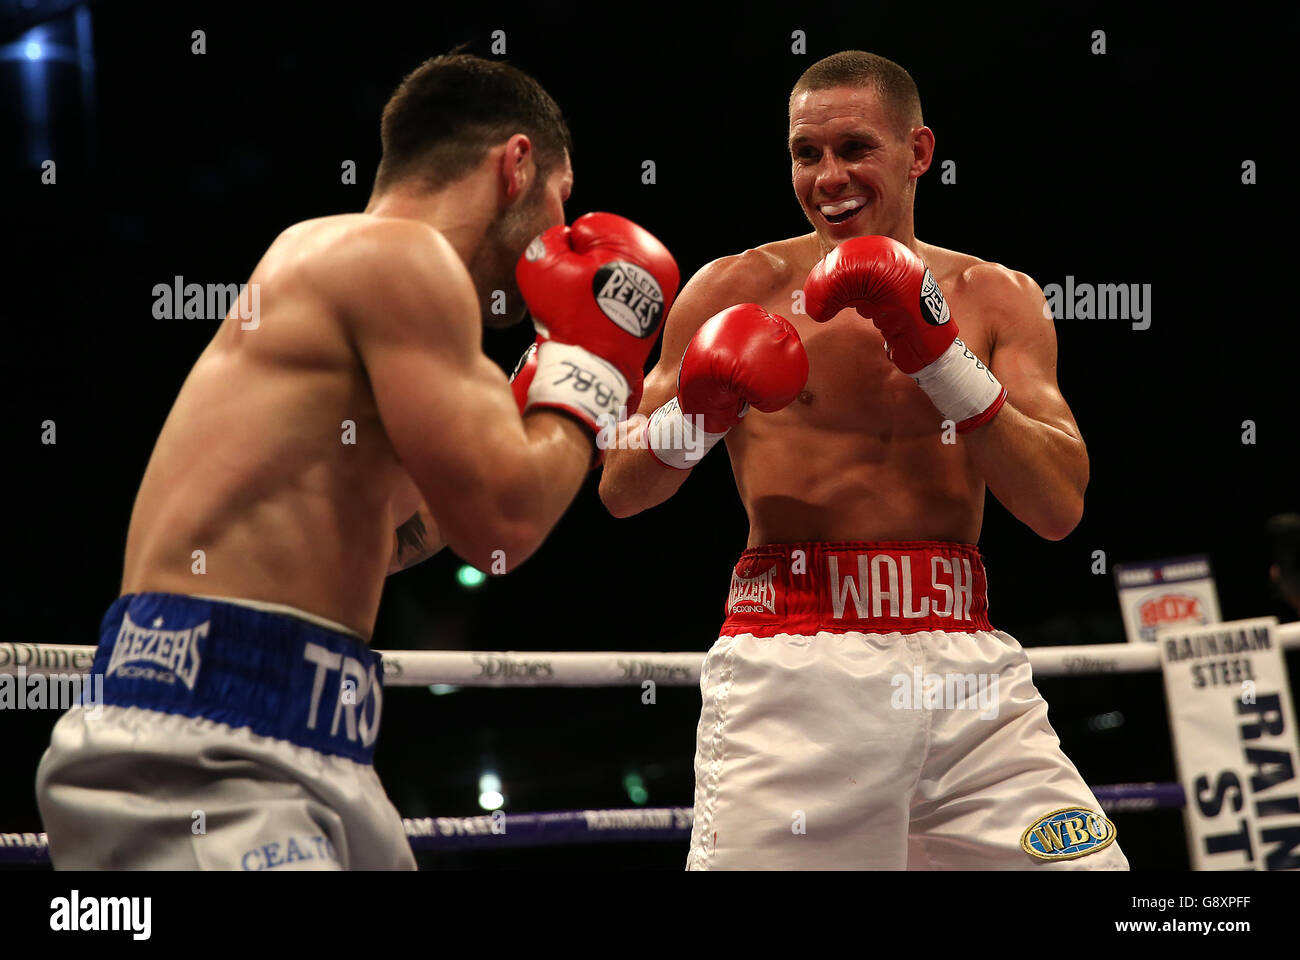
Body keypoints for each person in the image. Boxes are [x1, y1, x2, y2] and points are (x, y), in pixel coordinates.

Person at [35, 52, 678, 870]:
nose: (563, 230)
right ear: (516, 165)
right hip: (201, 737)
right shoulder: (395, 258)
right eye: (562, 196)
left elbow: (412, 533)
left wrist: (540, 420)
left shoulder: (374, 291)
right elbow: (505, 527)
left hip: (313, 735)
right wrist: (593, 369)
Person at [600, 50, 1128, 869]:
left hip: (967, 668)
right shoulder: (734, 288)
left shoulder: (997, 297)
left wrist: (941, 359)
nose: (828, 177)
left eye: (854, 149)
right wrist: (697, 414)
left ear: (918, 152)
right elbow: (622, 488)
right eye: (805, 153)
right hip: (795, 665)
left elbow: (1059, 506)